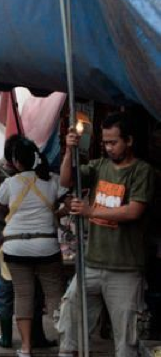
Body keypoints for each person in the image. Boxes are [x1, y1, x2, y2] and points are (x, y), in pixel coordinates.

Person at [57, 112, 155, 357]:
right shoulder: (99, 166)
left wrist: (91, 211)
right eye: (106, 143)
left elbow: (134, 211)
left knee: (126, 340)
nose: (109, 147)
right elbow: (66, 180)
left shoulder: (142, 171)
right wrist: (69, 150)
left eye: (114, 142)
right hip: (91, 264)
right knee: (70, 319)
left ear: (129, 140)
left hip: (125, 269)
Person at [0, 137, 66, 357]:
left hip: (15, 248)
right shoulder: (52, 180)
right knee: (55, 296)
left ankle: (25, 348)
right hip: (46, 246)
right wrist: (55, 213)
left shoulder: (10, 183)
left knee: (23, 296)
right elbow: (68, 202)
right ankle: (65, 346)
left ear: (15, 161)